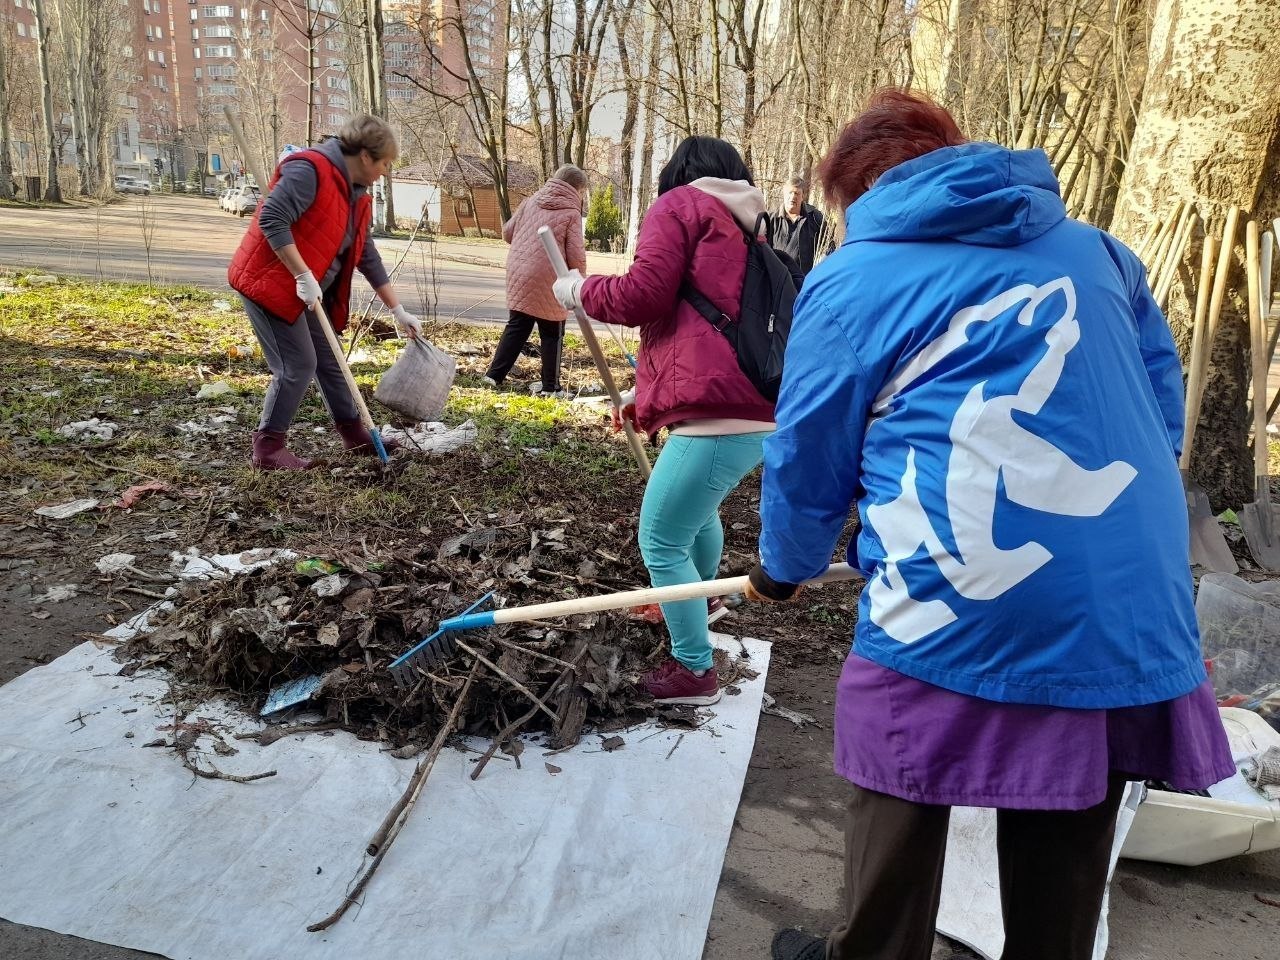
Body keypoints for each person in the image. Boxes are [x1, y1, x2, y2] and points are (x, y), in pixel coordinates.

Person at [747, 89, 1234, 960]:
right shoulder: (1101, 255)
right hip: (1127, 590)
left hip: (963, 585)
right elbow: (1159, 419)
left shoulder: (854, 277)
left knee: (899, 743)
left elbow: (810, 450)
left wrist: (784, 566)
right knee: (1072, 759)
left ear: (855, 193)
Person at [552, 137, 778, 706]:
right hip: (753, 407)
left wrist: (578, 289)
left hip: (716, 420)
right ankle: (702, 603)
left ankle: (693, 670)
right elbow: (700, 329)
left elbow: (642, 296)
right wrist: (646, 395)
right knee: (695, 517)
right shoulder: (748, 226)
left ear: (678, 175)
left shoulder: (680, 207)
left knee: (660, 538)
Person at [227, 114, 422, 470]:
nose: (386, 172)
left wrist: (397, 310)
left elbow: (364, 253)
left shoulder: (357, 195)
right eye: (384, 163)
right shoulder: (310, 171)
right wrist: (303, 274)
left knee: (330, 361)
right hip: (269, 281)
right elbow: (271, 218)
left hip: (307, 289)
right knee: (297, 365)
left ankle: (354, 433)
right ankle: (268, 449)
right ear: (365, 156)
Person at [482, 165, 589, 397]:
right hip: (550, 278)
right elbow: (576, 255)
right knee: (552, 332)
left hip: (519, 272)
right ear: (577, 189)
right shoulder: (571, 213)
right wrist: (579, 280)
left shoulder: (530, 201)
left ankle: (493, 376)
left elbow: (507, 233)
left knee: (517, 326)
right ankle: (551, 386)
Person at [768, 176, 830, 275]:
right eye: (790, 192)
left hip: (805, 282)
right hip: (777, 281)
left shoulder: (815, 218)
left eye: (797, 193)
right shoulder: (771, 219)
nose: (793, 197)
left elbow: (829, 245)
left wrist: (821, 264)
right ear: (784, 194)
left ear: (803, 196)